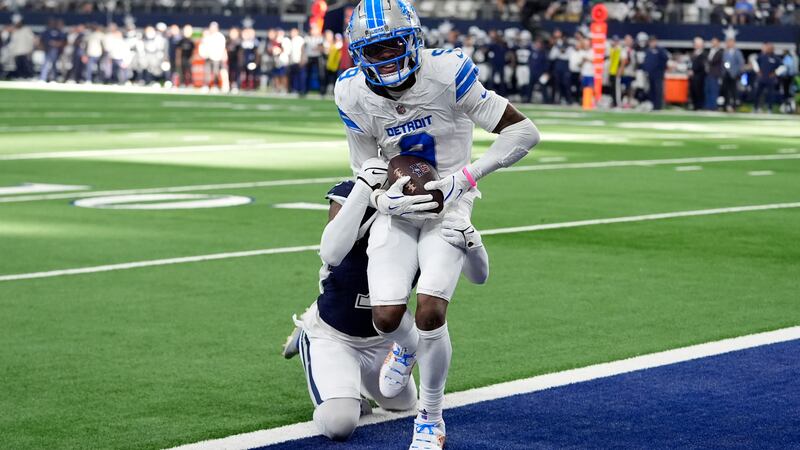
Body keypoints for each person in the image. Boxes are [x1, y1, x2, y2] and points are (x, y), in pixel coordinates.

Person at [336, 1, 540, 448]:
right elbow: (364, 166)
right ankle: (406, 347)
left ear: (412, 39)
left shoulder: (447, 71)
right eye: (375, 50)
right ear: (357, 53)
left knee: (430, 310)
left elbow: (524, 133)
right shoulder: (351, 91)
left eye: (393, 44)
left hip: (451, 207)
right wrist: (379, 194)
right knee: (387, 318)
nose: (387, 56)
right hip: (398, 209)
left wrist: (462, 180)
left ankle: (429, 416)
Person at [281, 163, 489, 442]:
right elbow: (330, 253)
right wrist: (364, 189)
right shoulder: (356, 191)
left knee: (400, 404)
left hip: (383, 337)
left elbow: (479, 276)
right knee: (340, 423)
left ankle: (353, 383)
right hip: (336, 332)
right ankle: (310, 336)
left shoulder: (431, 208)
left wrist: (473, 242)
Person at [642, 35, 669, 110]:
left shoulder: (660, 50)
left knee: (658, 90)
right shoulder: (648, 50)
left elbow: (665, 59)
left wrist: (661, 69)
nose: (652, 43)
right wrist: (646, 70)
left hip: (658, 74)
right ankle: (653, 105)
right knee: (651, 90)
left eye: (653, 41)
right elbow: (646, 62)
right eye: (650, 41)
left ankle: (658, 106)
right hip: (650, 74)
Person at [753, 42, 779, 113]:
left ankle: (770, 109)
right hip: (761, 79)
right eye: (768, 48)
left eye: (770, 48)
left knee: (770, 94)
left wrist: (776, 73)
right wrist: (758, 71)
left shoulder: (776, 58)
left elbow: (783, 66)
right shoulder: (762, 56)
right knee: (757, 93)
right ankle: (756, 108)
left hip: (770, 80)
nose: (769, 49)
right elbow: (755, 62)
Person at [721, 37, 744, 112]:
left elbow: (740, 63)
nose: (729, 44)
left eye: (730, 42)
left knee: (734, 91)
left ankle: (734, 106)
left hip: (734, 74)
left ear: (733, 43)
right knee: (725, 90)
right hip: (726, 74)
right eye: (728, 42)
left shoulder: (737, 52)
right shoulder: (725, 52)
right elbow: (723, 62)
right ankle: (725, 106)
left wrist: (736, 72)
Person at [704, 37, 723, 110]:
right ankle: (707, 106)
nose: (713, 43)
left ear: (718, 43)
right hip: (708, 74)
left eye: (715, 42)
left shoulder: (720, 52)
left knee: (713, 91)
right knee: (707, 90)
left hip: (715, 75)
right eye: (712, 42)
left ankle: (713, 107)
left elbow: (712, 61)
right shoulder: (709, 51)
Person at [689, 37, 707, 110]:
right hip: (692, 76)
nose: (695, 45)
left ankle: (699, 106)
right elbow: (690, 64)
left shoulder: (704, 54)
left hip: (699, 76)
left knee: (699, 91)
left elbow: (702, 65)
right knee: (692, 91)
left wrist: (694, 71)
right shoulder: (693, 53)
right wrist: (689, 70)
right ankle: (694, 105)